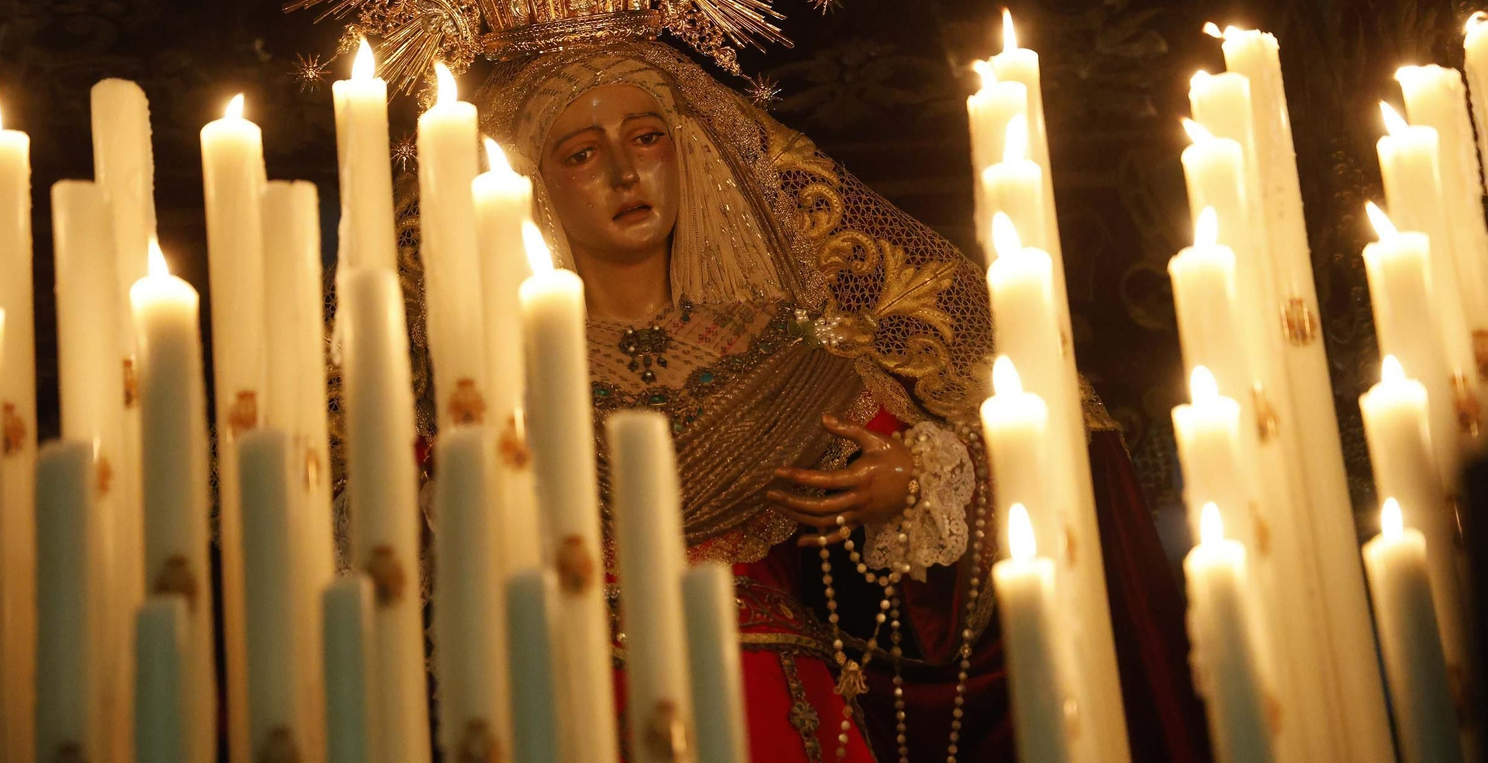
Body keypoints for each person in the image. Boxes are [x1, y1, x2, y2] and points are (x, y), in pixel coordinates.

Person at [459, 40, 1210, 761]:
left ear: (688, 151)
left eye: (648, 137)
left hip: (772, 702)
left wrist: (910, 485)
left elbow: (992, 494)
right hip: (566, 698)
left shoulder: (792, 353)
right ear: (533, 185)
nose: (626, 172)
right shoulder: (493, 373)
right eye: (582, 153)